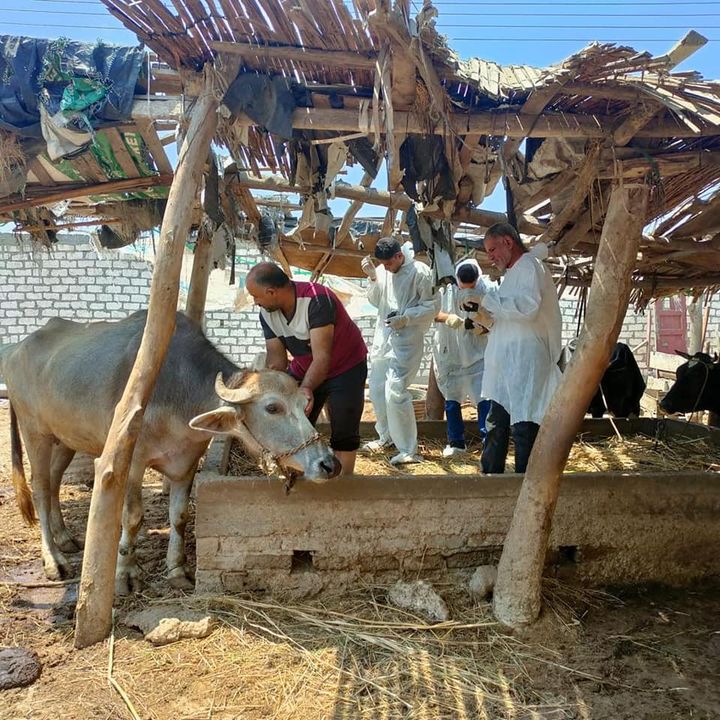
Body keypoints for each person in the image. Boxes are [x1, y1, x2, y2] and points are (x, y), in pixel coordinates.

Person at [245, 262, 367, 475]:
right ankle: (298, 480)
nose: (255, 302)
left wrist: (306, 388)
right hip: (304, 368)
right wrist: (266, 388)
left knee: (344, 430)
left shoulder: (317, 300)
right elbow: (277, 361)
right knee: (291, 422)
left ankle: (345, 489)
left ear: (271, 292)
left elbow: (322, 358)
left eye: (256, 296)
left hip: (346, 367)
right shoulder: (267, 314)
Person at [474, 224, 562, 474]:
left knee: (525, 424)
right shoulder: (514, 272)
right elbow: (510, 316)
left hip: (527, 362)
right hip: (509, 364)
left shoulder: (529, 266)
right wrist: (487, 320)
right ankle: (491, 479)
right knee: (496, 423)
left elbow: (527, 308)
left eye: (492, 249)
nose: (490, 256)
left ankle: (524, 485)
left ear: (508, 242)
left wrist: (487, 301)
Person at [361, 237, 438, 465]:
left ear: (399, 256)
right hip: (383, 338)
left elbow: (433, 305)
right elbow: (376, 301)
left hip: (407, 341)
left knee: (395, 392)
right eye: (382, 264)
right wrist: (373, 277)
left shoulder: (421, 272)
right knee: (376, 389)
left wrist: (407, 318)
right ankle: (386, 436)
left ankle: (408, 449)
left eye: (388, 263)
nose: (386, 268)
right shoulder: (383, 271)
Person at [432, 259, 491, 458]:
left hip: (477, 354)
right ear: (457, 279)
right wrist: (449, 318)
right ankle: (456, 443)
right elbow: (431, 312)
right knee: (452, 398)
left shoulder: (487, 289)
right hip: (451, 353)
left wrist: (479, 325)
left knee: (483, 397)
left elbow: (495, 322)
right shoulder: (446, 289)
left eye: (471, 286)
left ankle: (488, 443)